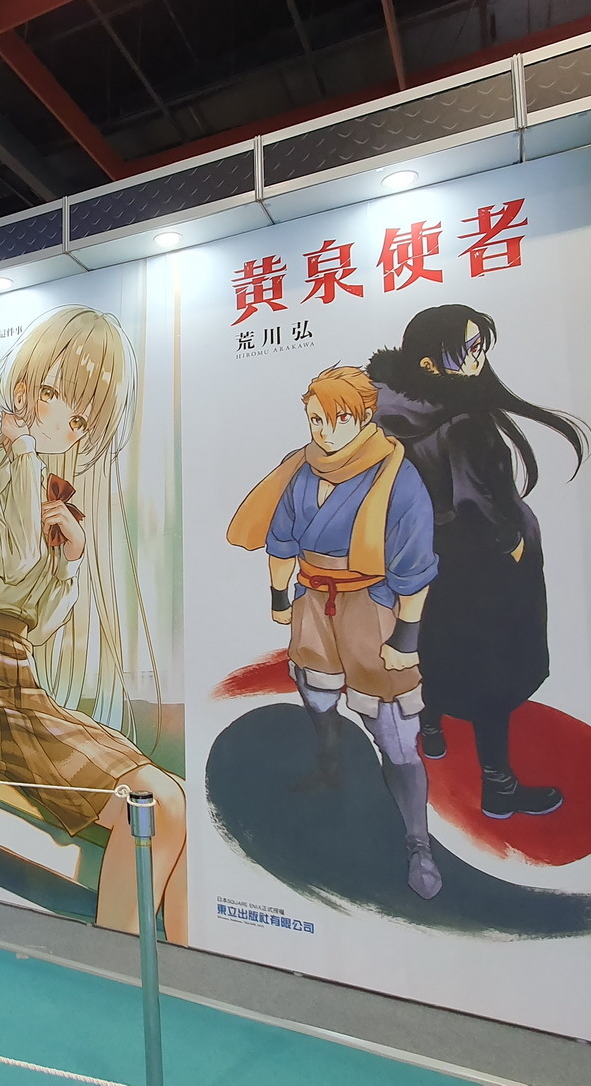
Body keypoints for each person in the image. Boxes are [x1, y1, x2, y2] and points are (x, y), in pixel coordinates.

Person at [0, 305, 189, 941]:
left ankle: (188, 967)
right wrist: (28, 463)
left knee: (175, 799)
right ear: (25, 388)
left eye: (81, 420)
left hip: (18, 681)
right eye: (56, 396)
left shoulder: (39, 491)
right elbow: (13, 559)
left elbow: (37, 624)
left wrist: (71, 562)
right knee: (157, 804)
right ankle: (117, 966)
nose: (68, 426)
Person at [367, 304, 589, 821]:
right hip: (481, 565)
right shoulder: (464, 421)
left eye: (479, 345)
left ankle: (432, 728)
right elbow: (476, 501)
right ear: (429, 363)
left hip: (418, 558)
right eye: (468, 348)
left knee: (435, 648)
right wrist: (512, 543)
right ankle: (499, 787)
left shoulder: (386, 410)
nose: (479, 357)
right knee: (495, 673)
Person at [231, 366, 443, 899]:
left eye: (337, 419)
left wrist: (407, 637)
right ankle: (329, 765)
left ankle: (418, 842)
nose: (323, 431)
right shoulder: (301, 470)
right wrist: (280, 597)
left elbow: (414, 564)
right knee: (315, 690)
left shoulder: (396, 477)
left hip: (371, 604)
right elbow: (281, 538)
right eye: (315, 419)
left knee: (392, 724)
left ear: (365, 417)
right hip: (312, 599)